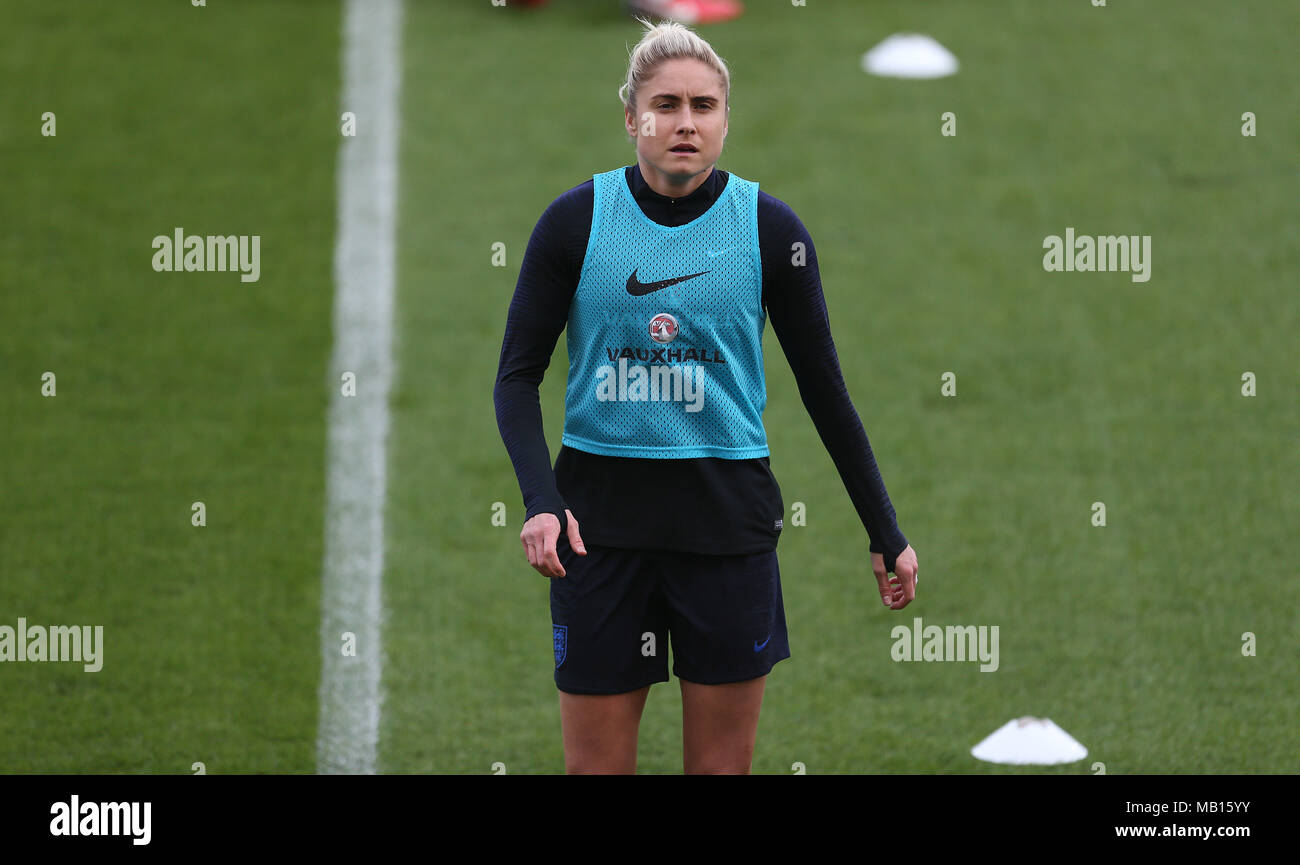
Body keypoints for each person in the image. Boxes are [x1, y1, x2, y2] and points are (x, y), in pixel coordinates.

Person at [494, 17, 919, 775]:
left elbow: (826, 392)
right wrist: (539, 501)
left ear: (726, 117)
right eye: (665, 105)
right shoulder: (575, 222)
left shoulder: (769, 230)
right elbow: (516, 376)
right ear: (632, 118)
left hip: (728, 533)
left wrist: (883, 529)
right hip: (599, 535)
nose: (684, 122)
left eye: (702, 105)